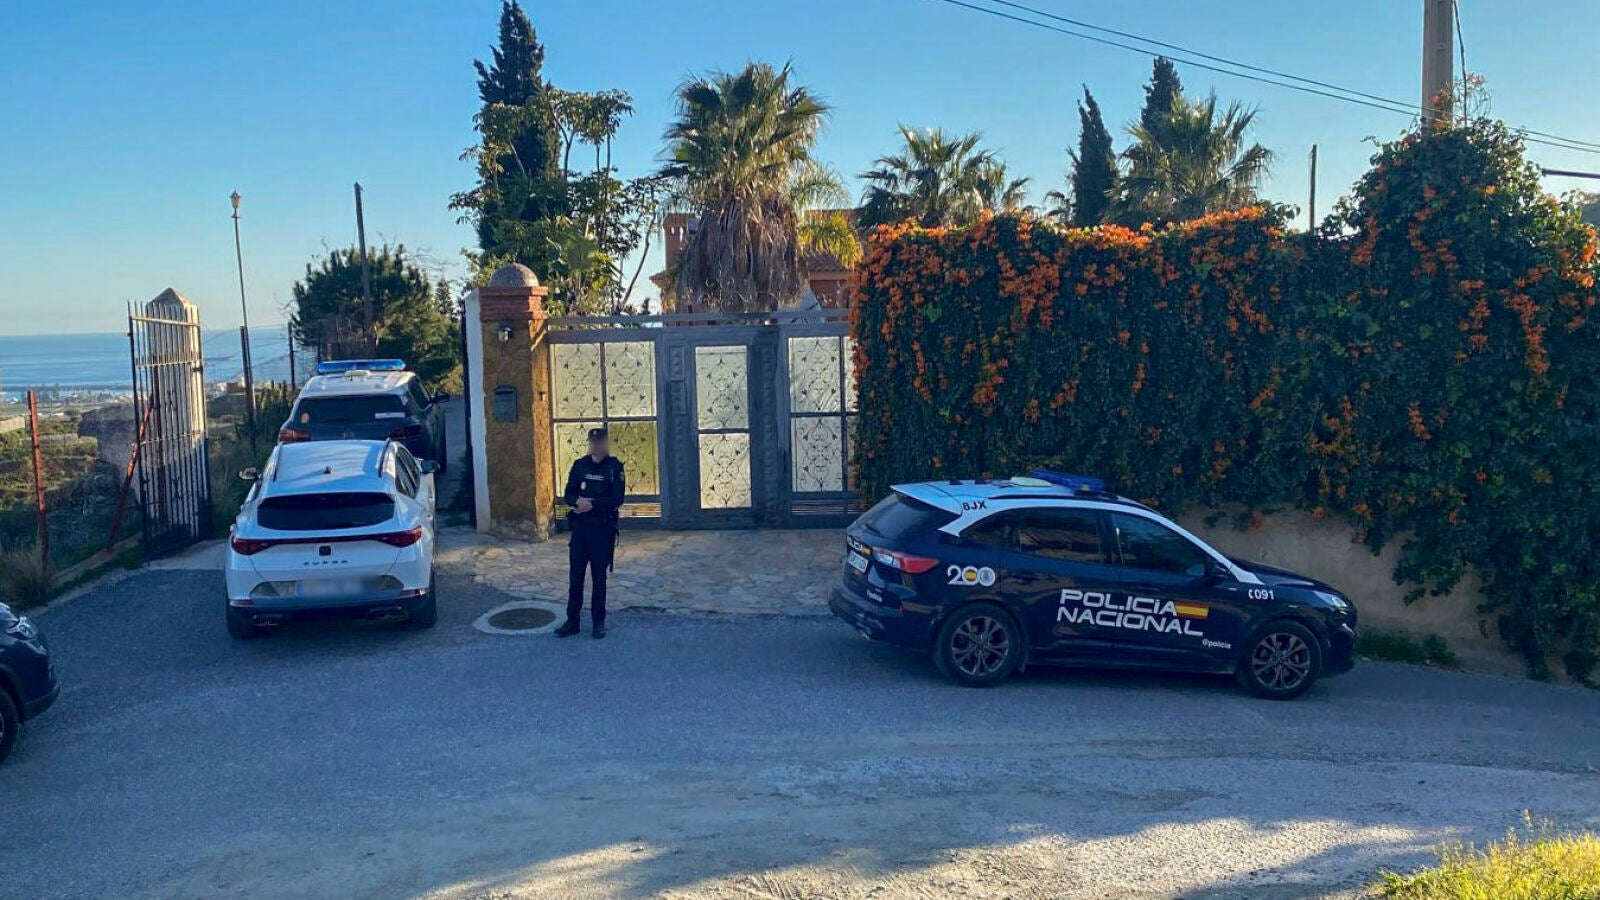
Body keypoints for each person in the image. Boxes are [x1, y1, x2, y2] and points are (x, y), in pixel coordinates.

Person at [556, 427, 625, 638]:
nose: (596, 446)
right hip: (581, 530)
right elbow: (568, 493)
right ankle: (572, 622)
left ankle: (598, 623)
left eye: (600, 442)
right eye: (593, 442)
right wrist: (577, 501)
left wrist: (592, 505)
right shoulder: (580, 465)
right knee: (575, 578)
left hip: (601, 530)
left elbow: (617, 499)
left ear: (606, 444)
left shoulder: (614, 468)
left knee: (598, 579)